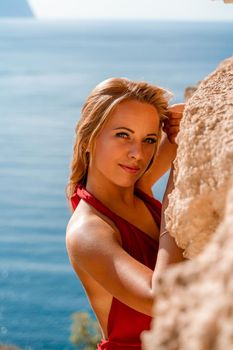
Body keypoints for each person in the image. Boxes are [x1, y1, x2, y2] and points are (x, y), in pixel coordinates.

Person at [66, 77, 185, 350]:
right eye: (123, 135)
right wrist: (178, 194)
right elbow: (161, 300)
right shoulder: (87, 231)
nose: (137, 154)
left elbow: (178, 140)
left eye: (149, 140)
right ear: (88, 138)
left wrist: (183, 124)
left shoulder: (136, 189)